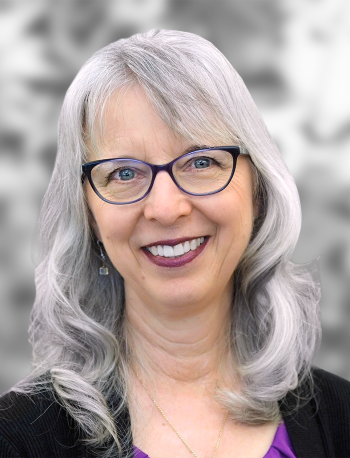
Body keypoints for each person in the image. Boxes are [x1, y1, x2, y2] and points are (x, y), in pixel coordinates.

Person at [0, 29, 349, 458]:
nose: (165, 209)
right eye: (124, 173)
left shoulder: (342, 421)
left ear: (257, 187)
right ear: (88, 213)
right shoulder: (15, 440)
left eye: (201, 161)